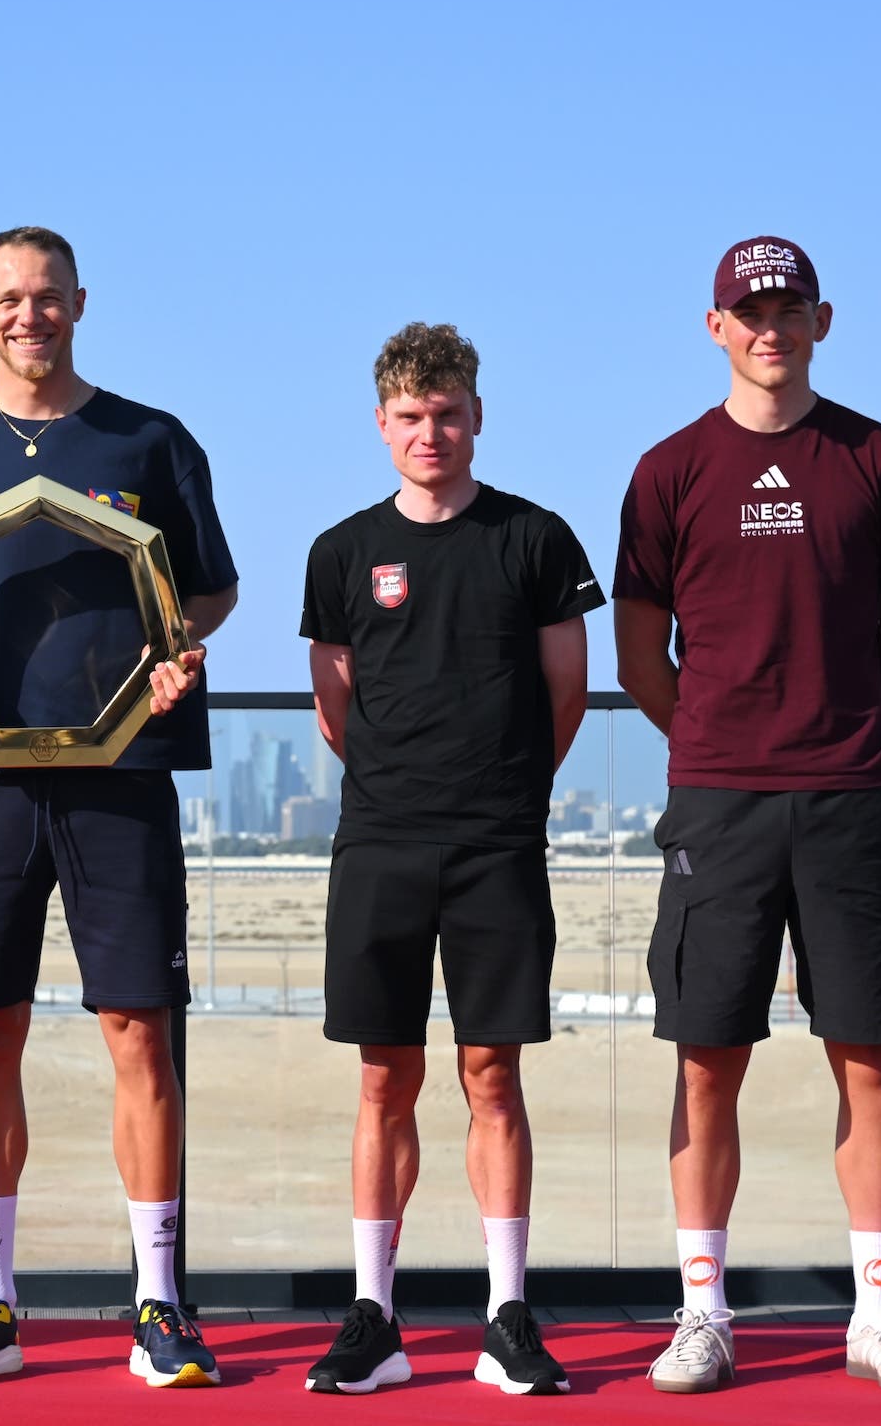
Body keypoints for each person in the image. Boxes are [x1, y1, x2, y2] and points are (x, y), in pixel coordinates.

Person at [0, 226, 238, 1388]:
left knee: (140, 1031)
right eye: (10, 299)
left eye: (50, 298)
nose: (31, 315)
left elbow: (209, 590)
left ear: (82, 304)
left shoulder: (151, 439)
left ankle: (160, 1303)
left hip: (122, 774)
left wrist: (180, 650)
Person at [614, 237, 881, 1395]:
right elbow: (642, 657)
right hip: (719, 797)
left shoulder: (880, 458)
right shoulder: (669, 469)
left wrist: (835, 726)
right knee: (708, 1059)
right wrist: (719, 745)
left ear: (822, 320)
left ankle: (878, 1312)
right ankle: (702, 1312)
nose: (770, 327)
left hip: (855, 793)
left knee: (868, 1056)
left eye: (789, 308)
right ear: (715, 326)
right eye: (748, 310)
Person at [299, 323, 600, 1398]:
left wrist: (506, 794)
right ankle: (373, 1315)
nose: (433, 433)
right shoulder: (340, 552)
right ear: (383, 425)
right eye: (413, 417)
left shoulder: (537, 539)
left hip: (498, 845)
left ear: (478, 416)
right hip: (379, 842)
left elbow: (567, 693)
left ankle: (507, 1313)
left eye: (451, 413)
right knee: (384, 1078)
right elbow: (337, 708)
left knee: (492, 1075)